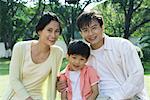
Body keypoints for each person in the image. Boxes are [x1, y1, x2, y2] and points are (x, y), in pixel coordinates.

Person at [57, 11, 148, 100]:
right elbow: (66, 72)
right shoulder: (83, 54)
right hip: (98, 96)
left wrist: (115, 98)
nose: (91, 33)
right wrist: (59, 83)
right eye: (85, 30)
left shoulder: (122, 45)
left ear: (102, 27)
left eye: (94, 28)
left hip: (127, 96)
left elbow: (137, 76)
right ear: (81, 33)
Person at [2, 12, 63, 100]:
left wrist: (60, 83)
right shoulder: (20, 47)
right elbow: (14, 80)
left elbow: (54, 80)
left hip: (37, 96)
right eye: (49, 30)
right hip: (14, 96)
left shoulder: (57, 53)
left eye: (57, 31)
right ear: (40, 31)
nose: (53, 35)